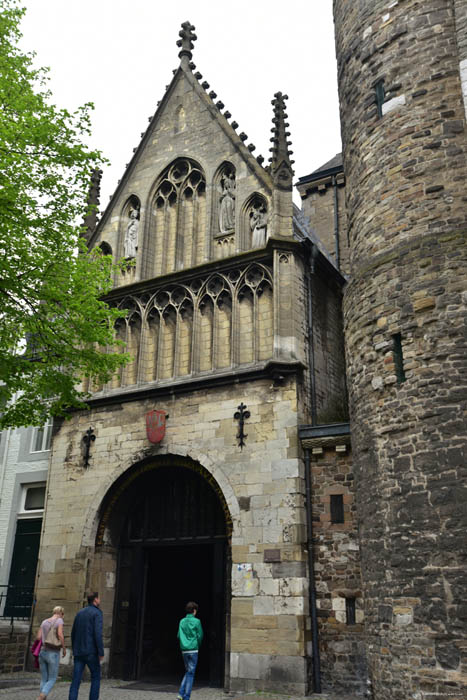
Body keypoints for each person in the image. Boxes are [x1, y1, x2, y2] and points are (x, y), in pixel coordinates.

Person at [68, 592, 104, 700]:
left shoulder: (80, 612)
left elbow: (73, 632)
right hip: (91, 651)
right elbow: (98, 634)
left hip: (79, 651)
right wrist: (101, 652)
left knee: (76, 680)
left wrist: (75, 649)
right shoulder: (97, 613)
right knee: (96, 677)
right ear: (95, 600)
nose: (100, 600)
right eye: (99, 598)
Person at [35, 605, 66, 700]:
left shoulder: (44, 621)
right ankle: (41, 696)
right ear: (61, 613)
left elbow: (38, 637)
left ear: (53, 612)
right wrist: (64, 648)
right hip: (53, 653)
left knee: (44, 678)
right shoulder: (59, 620)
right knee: (52, 678)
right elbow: (60, 635)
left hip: (43, 652)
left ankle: (42, 697)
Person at [177, 601, 203, 700]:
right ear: (194, 610)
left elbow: (179, 635)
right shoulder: (197, 621)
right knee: (191, 674)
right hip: (193, 649)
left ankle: (180, 694)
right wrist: (198, 645)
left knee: (188, 672)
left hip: (184, 650)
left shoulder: (182, 621)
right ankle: (186, 697)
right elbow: (200, 636)